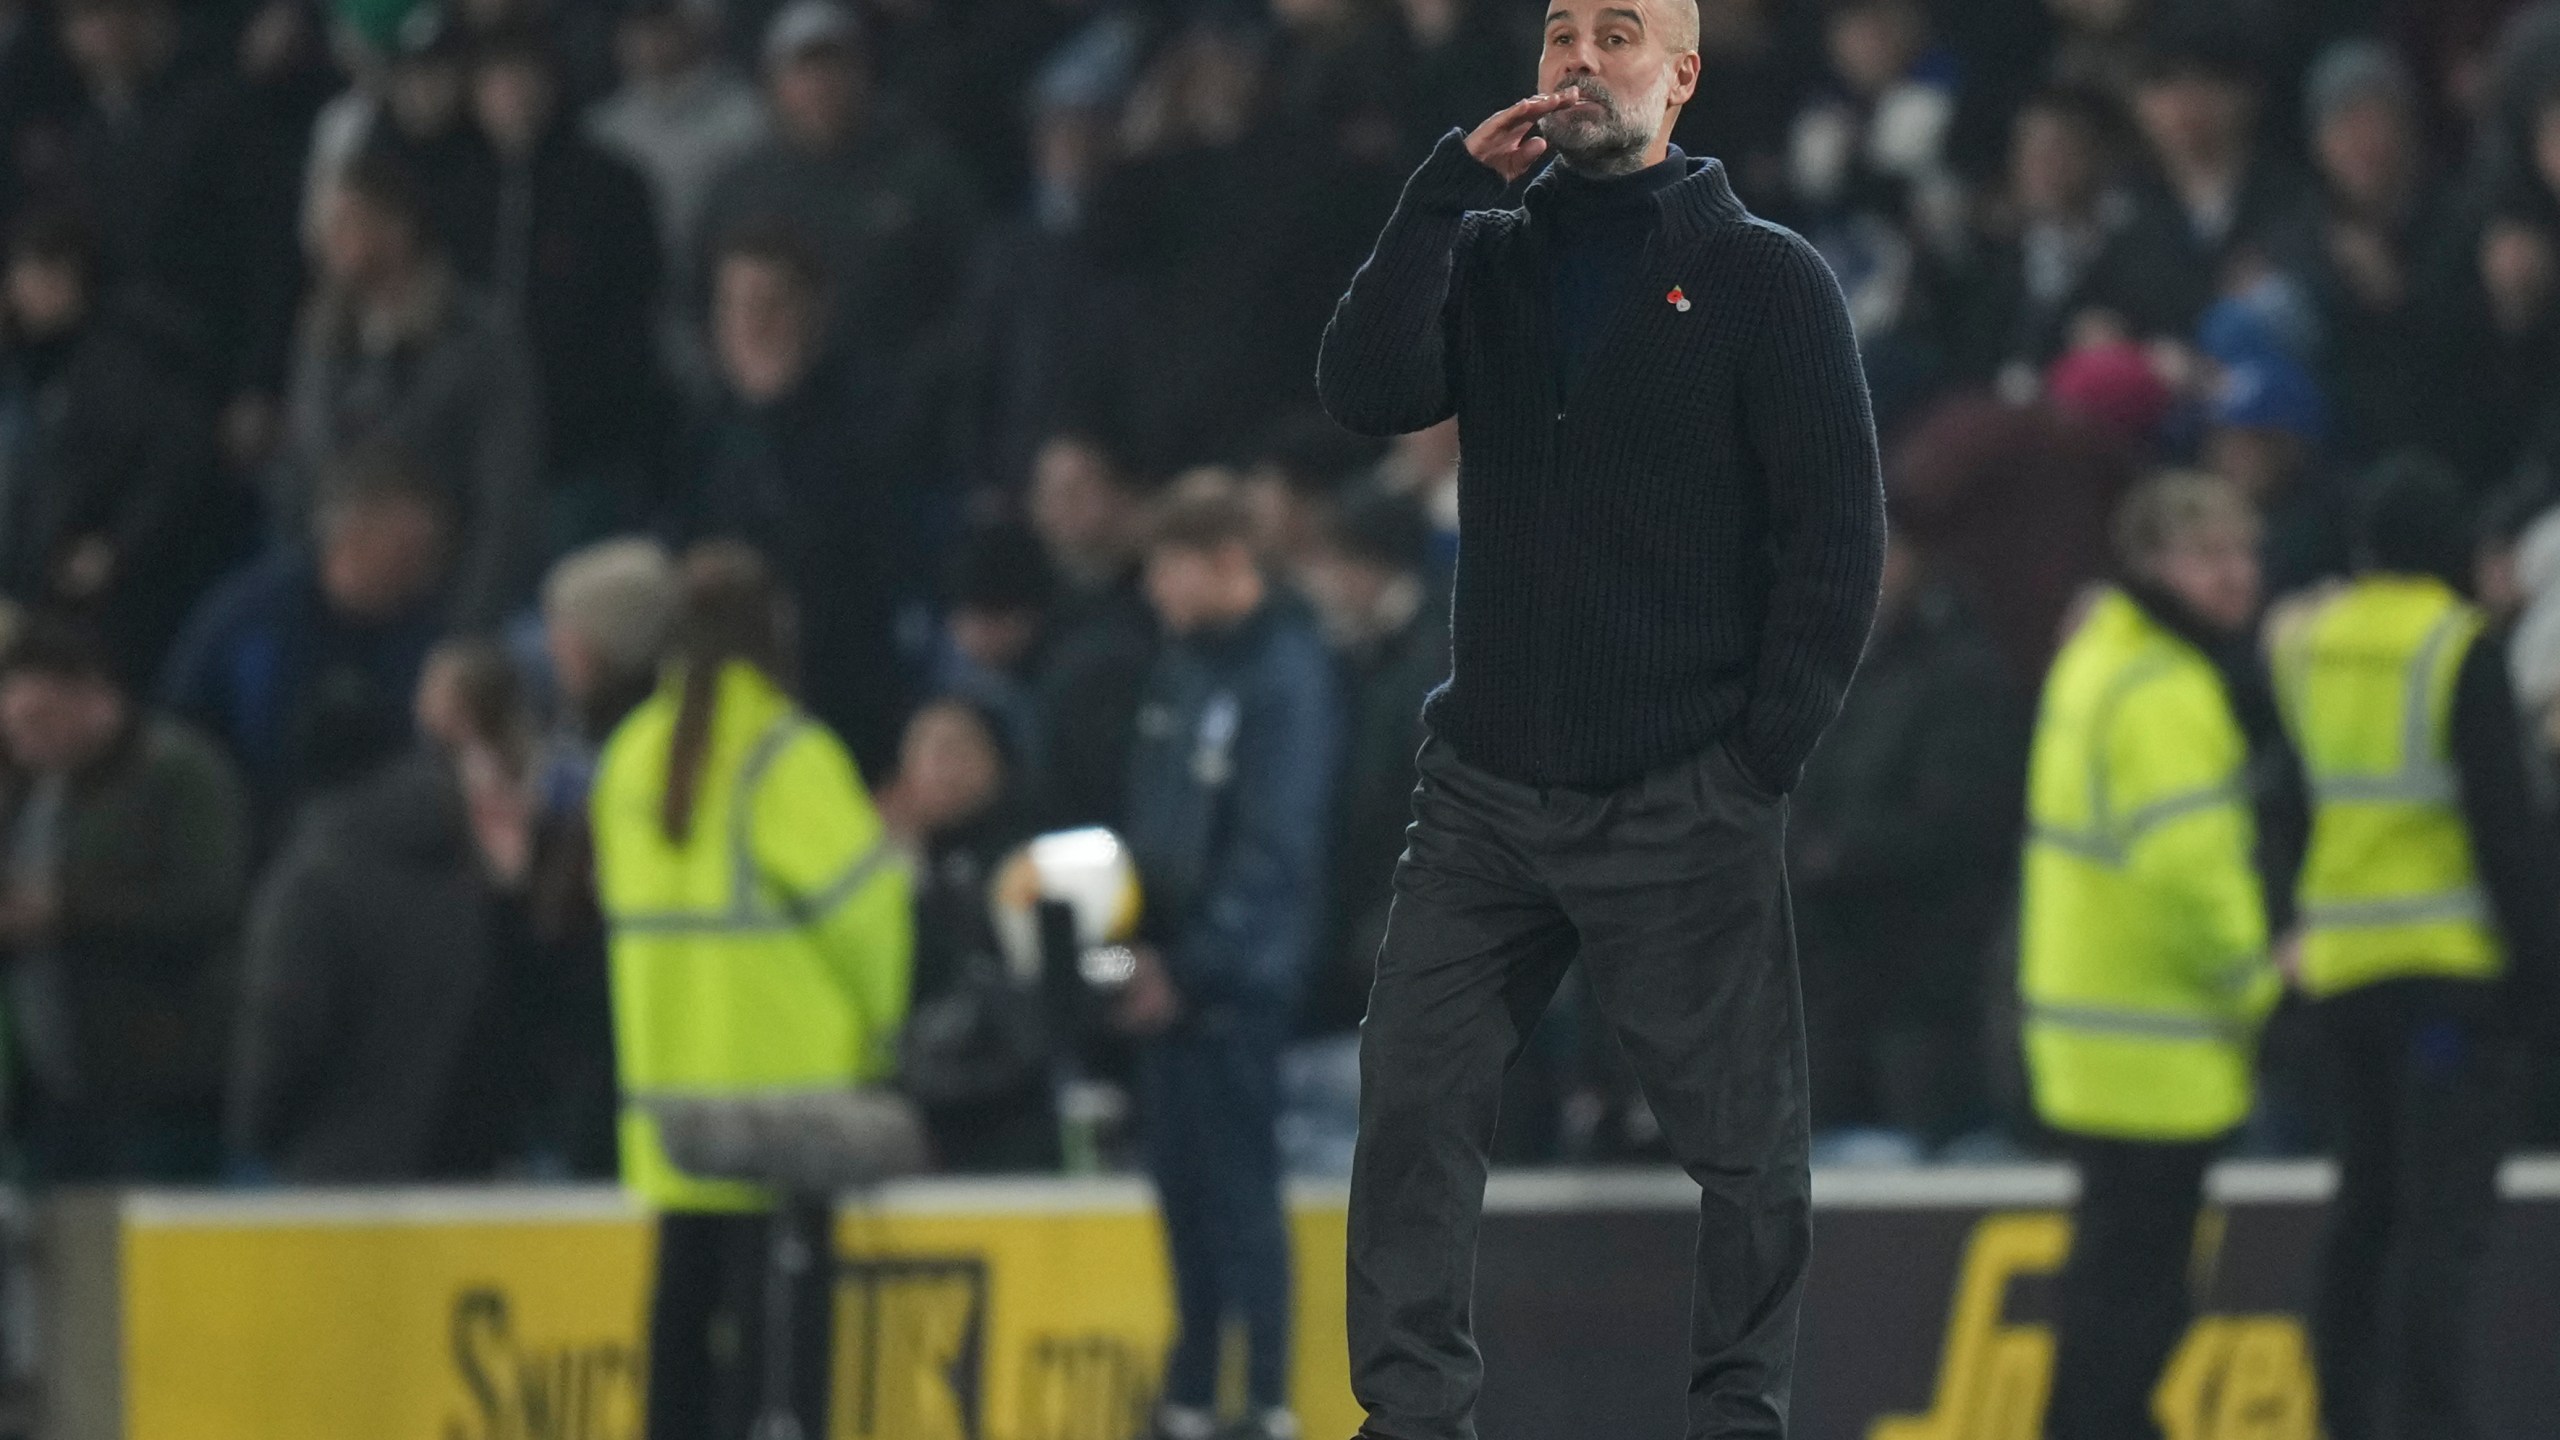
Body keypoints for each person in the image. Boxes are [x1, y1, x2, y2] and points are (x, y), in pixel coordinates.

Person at [1314, 0, 1885, 1429]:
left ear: (1681, 78)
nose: (1578, 57)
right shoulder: (1490, 253)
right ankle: (1410, 1419)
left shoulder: (1767, 280)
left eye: (1618, 35)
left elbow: (1837, 542)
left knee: (1748, 1153)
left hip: (1677, 785)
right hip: (1490, 788)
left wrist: (1757, 759)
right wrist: (1441, 195)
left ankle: (1737, 1416)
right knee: (1410, 1109)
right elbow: (1364, 386)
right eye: (1562, 32)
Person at [590, 540, 911, 1440]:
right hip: (785, 1118)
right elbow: (871, 920)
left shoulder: (628, 758)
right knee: (777, 1383)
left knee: (679, 1358)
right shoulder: (784, 755)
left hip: (672, 1119)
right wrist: (883, 1039)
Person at [2267, 457, 2560, 1440]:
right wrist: (2541, 974)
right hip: (2444, 981)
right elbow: (2502, 829)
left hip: (2342, 974)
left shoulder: (2307, 644)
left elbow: (2284, 801)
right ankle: (2428, 1423)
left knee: (2362, 1209)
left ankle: (2344, 1416)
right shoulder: (2455, 648)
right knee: (2439, 1226)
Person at [2019, 471, 2284, 1440]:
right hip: (2158, 1052)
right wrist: (2260, 980)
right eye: (2211, 556)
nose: (2236, 577)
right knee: (2137, 1310)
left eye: (2245, 553)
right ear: (2152, 563)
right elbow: (2192, 874)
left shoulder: (2099, 661)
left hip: (2094, 1042)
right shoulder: (2165, 688)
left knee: (2107, 1304)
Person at [1118, 482, 1339, 1440]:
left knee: (1243, 1192)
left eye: (1169, 568)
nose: (1155, 591)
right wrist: (1134, 948)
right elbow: (1153, 826)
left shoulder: (1286, 674)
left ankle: (1268, 1402)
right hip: (1166, 981)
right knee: (1183, 1197)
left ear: (1225, 564)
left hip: (1238, 986)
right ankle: (1196, 1393)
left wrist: (1197, 964)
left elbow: (1276, 846)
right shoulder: (1181, 673)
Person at [225, 640, 543, 1181]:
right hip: (472, 1160)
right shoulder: (465, 855)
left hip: (339, 1165)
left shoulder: (315, 879)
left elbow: (288, 1020)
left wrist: (256, 1126)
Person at [1791, 532, 2024, 1154]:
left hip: (1929, 990)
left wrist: (1835, 856)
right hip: (1831, 985)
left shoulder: (1963, 672)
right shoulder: (1828, 667)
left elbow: (1965, 821)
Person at [0, 617, 249, 1181]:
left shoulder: (179, 773)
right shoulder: (38, 788)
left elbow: (208, 905)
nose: (21, 741)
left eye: (36, 721)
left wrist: (65, 911)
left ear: (92, 696)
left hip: (163, 1080)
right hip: (56, 1086)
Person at [685, 221, 925, 778]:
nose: (751, 326)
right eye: (734, 307)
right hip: (729, 705)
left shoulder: (870, 423)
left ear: (812, 312)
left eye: (770, 306)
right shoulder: (700, 435)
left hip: (845, 708)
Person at [275, 151, 544, 632]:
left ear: (397, 229)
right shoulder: (320, 335)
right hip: (332, 588)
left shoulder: (476, 338)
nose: (326, 241)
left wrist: (468, 625)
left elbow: (504, 494)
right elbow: (302, 462)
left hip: (440, 589)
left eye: (345, 223)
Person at [159, 445, 450, 842]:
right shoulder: (250, 617)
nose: (422, 574)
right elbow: (183, 720)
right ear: (351, 538)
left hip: (379, 842)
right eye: (405, 553)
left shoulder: (429, 636)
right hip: (248, 828)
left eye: (428, 555)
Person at [0, 208, 230, 683]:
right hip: (29, 587)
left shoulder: (122, 363)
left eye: (29, 275)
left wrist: (117, 548)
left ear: (66, 276)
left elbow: (175, 463)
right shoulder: (33, 362)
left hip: (104, 603)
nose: (17, 292)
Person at [455, 29, 665, 545]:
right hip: (473, 457)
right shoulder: (455, 192)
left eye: (523, 76)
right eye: (496, 79)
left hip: (582, 452)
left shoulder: (610, 185)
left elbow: (635, 312)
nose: (512, 94)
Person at [695, 0, 979, 367]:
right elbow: (700, 298)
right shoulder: (740, 187)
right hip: (771, 403)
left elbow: (972, 288)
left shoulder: (922, 174)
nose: (819, 86)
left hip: (898, 400)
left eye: (834, 67)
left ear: (864, 73)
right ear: (773, 83)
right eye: (804, 71)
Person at [876, 696, 1053, 1173]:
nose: (942, 768)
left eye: (957, 750)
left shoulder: (1031, 862)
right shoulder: (881, 868)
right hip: (914, 1100)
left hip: (1012, 1104)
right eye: (928, 752)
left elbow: (1098, 961)